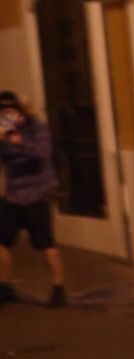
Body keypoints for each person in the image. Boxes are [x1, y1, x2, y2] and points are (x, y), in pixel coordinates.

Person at [0, 90, 67, 308]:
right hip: (13, 195)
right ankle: (5, 285)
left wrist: (19, 142)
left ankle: (58, 288)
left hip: (38, 193)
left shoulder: (35, 127)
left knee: (46, 243)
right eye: (2, 112)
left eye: (10, 110)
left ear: (19, 110)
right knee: (2, 241)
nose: (6, 115)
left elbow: (43, 152)